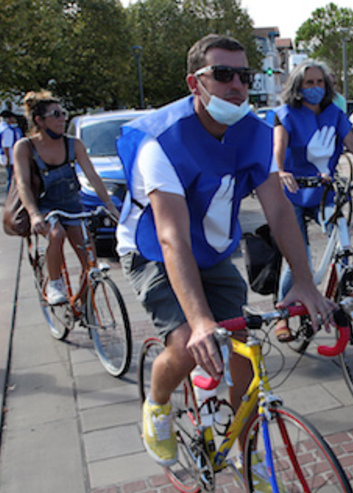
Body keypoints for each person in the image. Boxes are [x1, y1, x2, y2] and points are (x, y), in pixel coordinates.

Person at [115, 34, 335, 467]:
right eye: (222, 74)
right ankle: (157, 404)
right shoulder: (161, 141)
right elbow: (171, 237)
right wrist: (198, 322)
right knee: (185, 343)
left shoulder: (254, 133)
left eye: (244, 75)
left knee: (243, 357)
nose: (237, 84)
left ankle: (246, 455)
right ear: (194, 83)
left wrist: (305, 283)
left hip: (212, 251)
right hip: (155, 252)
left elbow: (279, 209)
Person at [271, 60, 353, 341]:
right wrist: (280, 170)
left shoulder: (334, 114)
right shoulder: (285, 115)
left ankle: (347, 281)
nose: (315, 88)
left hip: (325, 189)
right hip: (293, 192)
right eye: (309, 83)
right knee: (297, 258)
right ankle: (283, 317)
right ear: (298, 87)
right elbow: (279, 145)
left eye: (320, 82)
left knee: (341, 233)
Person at [13, 91, 117, 305]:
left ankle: (82, 304)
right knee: (56, 234)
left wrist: (109, 206)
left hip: (71, 205)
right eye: (56, 114)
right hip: (44, 207)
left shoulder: (73, 145)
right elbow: (22, 183)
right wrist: (34, 215)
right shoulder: (25, 147)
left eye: (64, 113)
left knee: (91, 262)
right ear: (40, 121)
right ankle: (54, 282)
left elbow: (93, 176)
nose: (63, 119)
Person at [0, 110, 23, 192]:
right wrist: (8, 159)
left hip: (3, 155)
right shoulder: (8, 130)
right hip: (10, 157)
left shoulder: (0, 127)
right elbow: (6, 146)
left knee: (10, 177)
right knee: (11, 178)